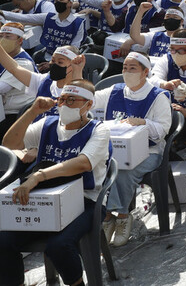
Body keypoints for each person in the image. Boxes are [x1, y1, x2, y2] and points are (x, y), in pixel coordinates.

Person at [0, 79, 111, 286]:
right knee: (3, 240)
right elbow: (9, 143)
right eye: (61, 100)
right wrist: (33, 111)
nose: (64, 105)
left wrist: (38, 176)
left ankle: (77, 283)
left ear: (88, 105)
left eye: (71, 100)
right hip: (45, 197)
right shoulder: (48, 124)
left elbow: (83, 163)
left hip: (84, 201)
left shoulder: (98, 130)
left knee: (58, 245)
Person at [95, 53, 172, 246]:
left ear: (145, 72)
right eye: (124, 68)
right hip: (114, 150)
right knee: (95, 169)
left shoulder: (158, 96)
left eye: (133, 69)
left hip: (149, 152)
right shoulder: (115, 91)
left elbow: (163, 129)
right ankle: (105, 218)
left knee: (124, 171)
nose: (127, 72)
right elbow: (91, 100)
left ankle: (122, 216)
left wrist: (144, 123)